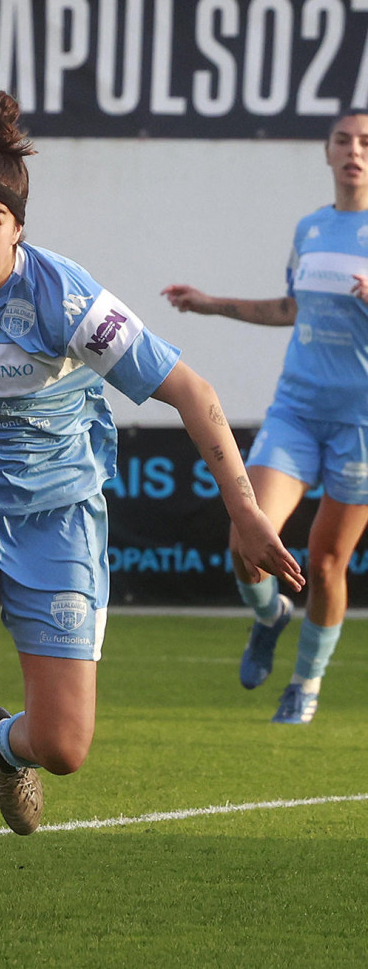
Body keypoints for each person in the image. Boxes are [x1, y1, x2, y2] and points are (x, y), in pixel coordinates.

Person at [0, 91, 304, 922]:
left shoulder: (65, 299)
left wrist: (246, 511)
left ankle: (4, 742)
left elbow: (189, 391)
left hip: (57, 520)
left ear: (17, 228)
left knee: (65, 746)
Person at [161, 109, 368, 725]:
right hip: (297, 411)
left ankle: (305, 684)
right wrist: (210, 304)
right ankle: (269, 614)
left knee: (328, 563)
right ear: (327, 152)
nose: (354, 150)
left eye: (366, 141)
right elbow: (289, 308)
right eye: (343, 140)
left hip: (360, 424)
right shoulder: (311, 229)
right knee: (245, 539)